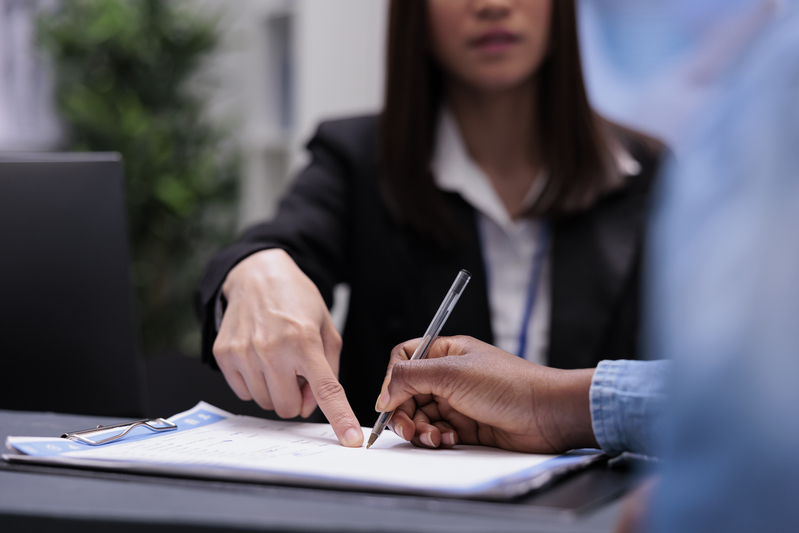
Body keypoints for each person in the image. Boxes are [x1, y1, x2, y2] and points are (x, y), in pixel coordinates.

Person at [196, 0, 664, 448]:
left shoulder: (656, 175)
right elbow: (278, 243)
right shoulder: (358, 158)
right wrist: (257, 269)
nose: (492, 4)